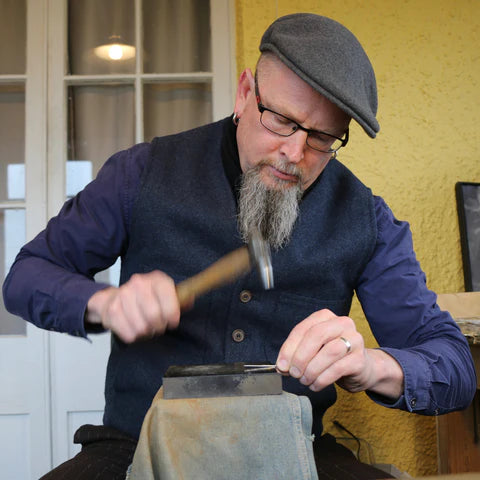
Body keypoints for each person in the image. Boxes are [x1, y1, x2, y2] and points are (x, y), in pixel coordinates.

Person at [3, 12, 476, 480]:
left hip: (294, 448)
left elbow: (455, 367)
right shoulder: (141, 173)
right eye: (282, 120)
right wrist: (104, 304)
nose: (294, 153)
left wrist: (370, 365)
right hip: (137, 441)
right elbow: (26, 276)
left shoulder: (366, 219)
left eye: (321, 138)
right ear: (246, 93)